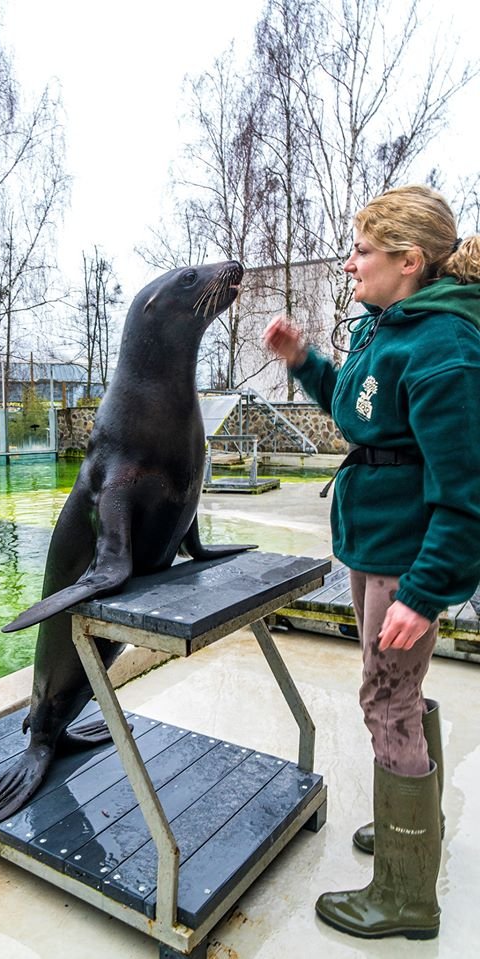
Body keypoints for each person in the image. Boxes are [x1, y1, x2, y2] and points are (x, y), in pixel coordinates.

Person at [263, 184, 480, 941]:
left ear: (409, 261)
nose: (350, 264)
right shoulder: (392, 326)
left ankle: (404, 893)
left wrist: (422, 595)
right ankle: (412, 824)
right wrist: (304, 360)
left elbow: (466, 497)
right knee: (398, 692)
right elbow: (361, 411)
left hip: (404, 559)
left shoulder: (444, 350)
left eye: (363, 252)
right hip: (375, 544)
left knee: (385, 698)